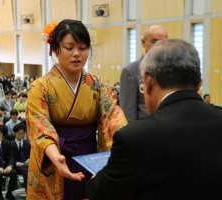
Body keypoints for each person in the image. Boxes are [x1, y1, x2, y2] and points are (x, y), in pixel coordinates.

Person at [86, 39, 222, 199]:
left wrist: (96, 181)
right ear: (199, 84)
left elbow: (102, 193)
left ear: (148, 83)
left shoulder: (135, 137)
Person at [26, 19, 127, 200]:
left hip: (89, 158)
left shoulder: (97, 85)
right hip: (53, 157)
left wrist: (129, 142)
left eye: (82, 48)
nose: (76, 54)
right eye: (69, 47)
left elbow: (114, 117)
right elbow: (38, 125)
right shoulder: (40, 87)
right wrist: (56, 157)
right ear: (55, 49)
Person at [120, 24, 168, 123]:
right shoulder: (130, 71)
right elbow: (128, 112)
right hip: (143, 131)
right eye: (154, 42)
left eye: (163, 43)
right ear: (143, 42)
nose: (158, 47)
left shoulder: (172, 69)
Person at [11, 123, 30, 191]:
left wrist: (29, 160)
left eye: (23, 134)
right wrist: (17, 163)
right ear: (15, 133)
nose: (21, 135)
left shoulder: (27, 143)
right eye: (19, 133)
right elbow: (10, 157)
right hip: (16, 165)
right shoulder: (11, 144)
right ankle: (27, 190)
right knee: (25, 171)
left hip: (26, 163)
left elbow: (29, 154)